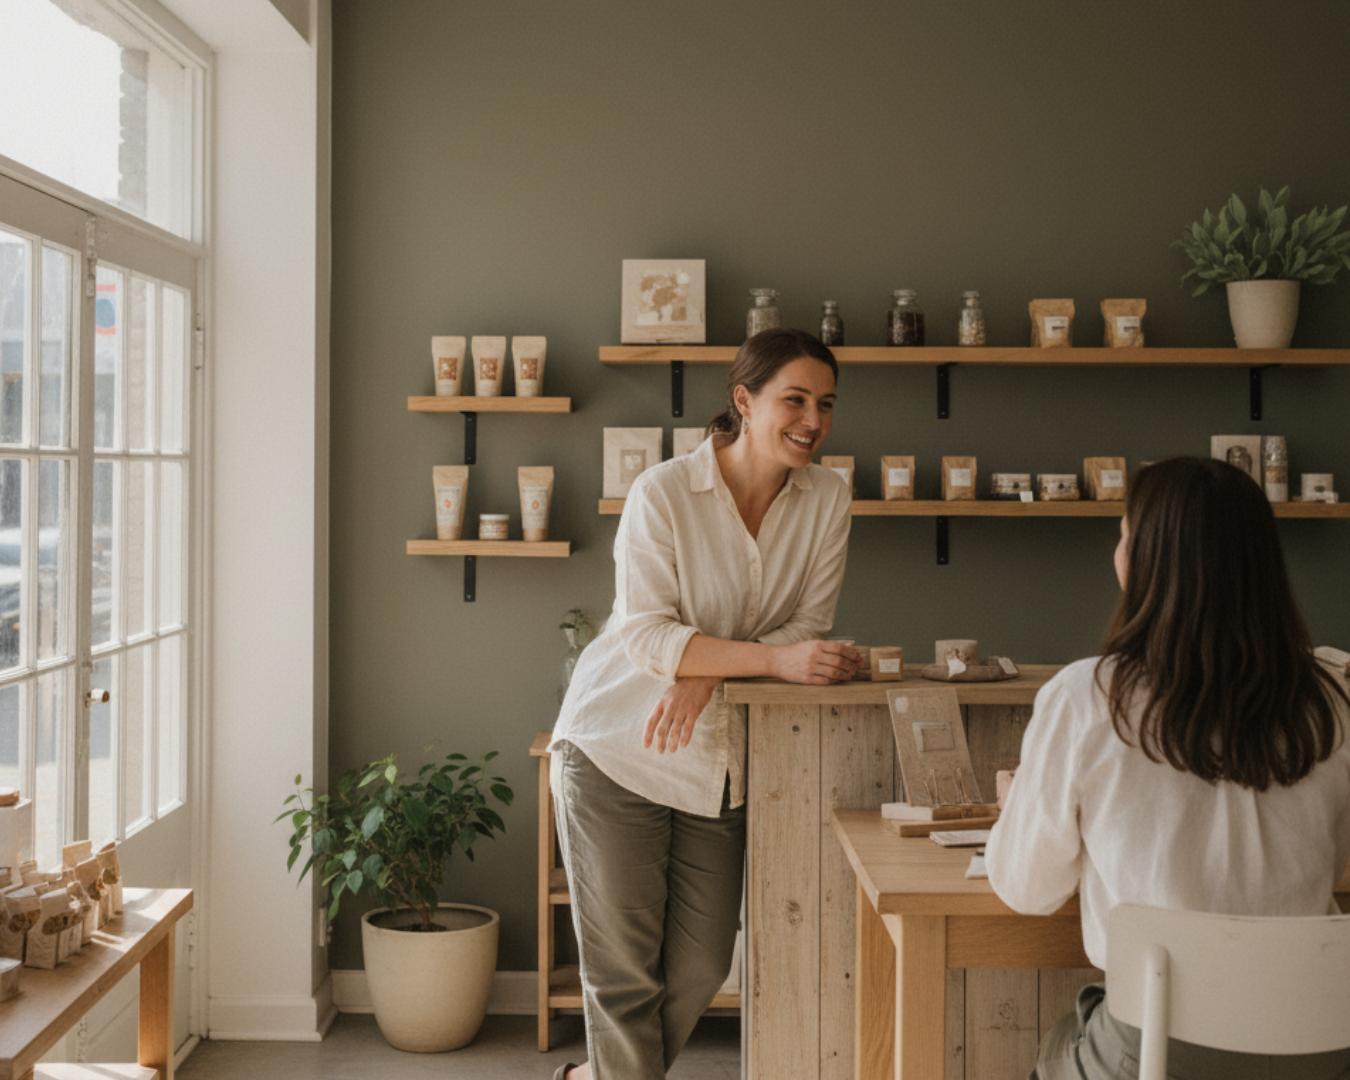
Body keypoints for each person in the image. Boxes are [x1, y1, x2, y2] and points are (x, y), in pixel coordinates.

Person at [548, 328, 861, 1080]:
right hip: (618, 744)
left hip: (717, 758)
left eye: (825, 404)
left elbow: (808, 624)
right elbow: (646, 635)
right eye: (795, 400)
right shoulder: (662, 493)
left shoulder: (828, 499)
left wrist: (704, 672)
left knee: (701, 964)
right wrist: (756, 661)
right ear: (743, 401)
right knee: (625, 975)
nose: (812, 420)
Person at [986, 457, 1350, 1080]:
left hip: (1160, 1051)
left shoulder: (1087, 697)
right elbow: (1335, 860)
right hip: (1320, 1046)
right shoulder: (1334, 697)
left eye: (1123, 536)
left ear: (1145, 561)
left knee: (1060, 1044)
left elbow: (1027, 889)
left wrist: (1019, 810)